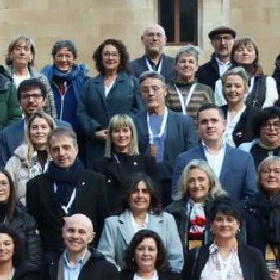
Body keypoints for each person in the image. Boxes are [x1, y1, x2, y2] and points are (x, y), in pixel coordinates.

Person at [26, 128, 110, 257]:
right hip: (50, 260)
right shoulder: (36, 185)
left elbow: (102, 221)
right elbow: (33, 228)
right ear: (50, 152)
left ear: (76, 149)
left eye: (66, 147)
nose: (61, 153)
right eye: (56, 149)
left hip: (88, 257)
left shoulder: (96, 181)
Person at [96, 174, 184, 272]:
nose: (140, 196)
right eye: (135, 191)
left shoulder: (167, 220)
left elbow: (176, 258)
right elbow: (105, 259)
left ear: (151, 196)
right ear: (127, 195)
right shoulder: (112, 224)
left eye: (145, 191)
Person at [132, 71, 197, 199]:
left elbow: (191, 155)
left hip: (176, 183)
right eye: (145, 90)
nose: (150, 93)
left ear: (165, 91)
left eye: (155, 89)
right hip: (143, 185)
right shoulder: (134, 122)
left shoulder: (183, 122)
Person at [172, 104, 258, 200]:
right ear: (198, 127)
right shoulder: (184, 159)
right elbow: (177, 197)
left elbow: (251, 196)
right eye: (204, 122)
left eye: (214, 121)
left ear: (224, 125)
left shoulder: (244, 158)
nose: (210, 125)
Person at [77, 38, 142, 161]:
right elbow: (81, 112)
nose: (110, 58)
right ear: (100, 58)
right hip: (97, 147)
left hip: (124, 144)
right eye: (106, 54)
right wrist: (95, 131)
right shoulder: (90, 84)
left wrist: (119, 129)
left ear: (120, 58)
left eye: (114, 54)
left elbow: (139, 111)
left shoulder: (132, 82)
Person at [89, 114, 162, 212]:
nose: (121, 135)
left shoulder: (148, 162)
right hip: (112, 219)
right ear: (110, 135)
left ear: (132, 133)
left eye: (125, 130)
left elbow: (156, 197)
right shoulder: (100, 165)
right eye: (117, 131)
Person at [0, 78, 64, 167]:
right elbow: (3, 170)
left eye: (36, 96)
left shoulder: (63, 128)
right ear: (19, 102)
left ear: (44, 101)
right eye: (25, 97)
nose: (31, 101)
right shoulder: (8, 134)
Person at [165, 160, 226, 253]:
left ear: (210, 181)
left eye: (201, 179)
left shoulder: (224, 210)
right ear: (186, 184)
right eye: (191, 181)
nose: (197, 185)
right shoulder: (171, 212)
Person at [4, 111, 56, 206]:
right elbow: (8, 192)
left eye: (43, 127)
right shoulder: (16, 160)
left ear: (51, 130)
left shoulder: (59, 158)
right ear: (29, 132)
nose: (39, 131)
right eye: (34, 128)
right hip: (24, 215)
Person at [40, 40, 89, 132]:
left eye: (67, 56)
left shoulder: (84, 82)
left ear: (74, 59)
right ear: (54, 58)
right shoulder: (44, 80)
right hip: (50, 134)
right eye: (59, 56)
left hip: (78, 135)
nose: (63, 60)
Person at [223, 36, 279, 110]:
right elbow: (222, 106)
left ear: (255, 55)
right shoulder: (221, 82)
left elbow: (269, 106)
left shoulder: (268, 82)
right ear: (233, 55)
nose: (245, 52)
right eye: (240, 50)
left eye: (249, 50)